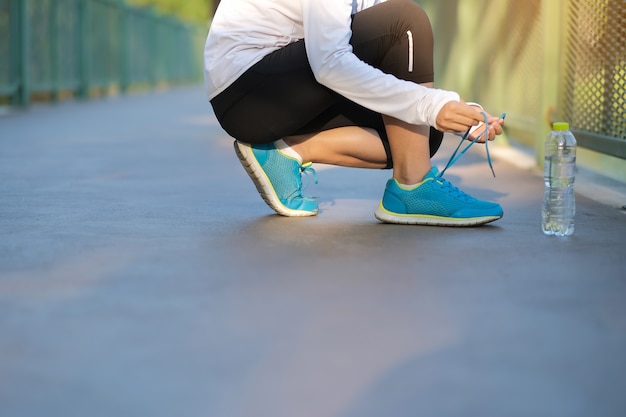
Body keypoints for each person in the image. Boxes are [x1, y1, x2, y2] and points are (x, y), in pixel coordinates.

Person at [204, 0, 506, 226]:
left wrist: (456, 113)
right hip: (249, 91)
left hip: (276, 89)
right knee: (407, 20)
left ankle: (285, 151)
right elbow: (330, 64)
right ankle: (413, 187)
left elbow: (387, 59)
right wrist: (433, 105)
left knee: (418, 142)